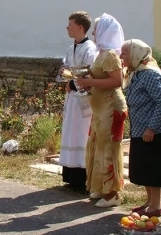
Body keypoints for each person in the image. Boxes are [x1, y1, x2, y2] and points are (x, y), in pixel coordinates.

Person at [76, 13, 126, 207]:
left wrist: (89, 81)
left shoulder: (112, 54)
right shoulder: (101, 53)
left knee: (109, 148)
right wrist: (87, 82)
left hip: (111, 108)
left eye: (97, 29)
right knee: (98, 146)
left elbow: (116, 81)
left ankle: (113, 193)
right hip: (100, 108)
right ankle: (101, 186)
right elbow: (99, 78)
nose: (94, 32)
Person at [120, 39, 161, 217]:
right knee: (144, 168)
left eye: (124, 53)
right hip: (140, 129)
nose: (121, 56)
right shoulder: (136, 72)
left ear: (135, 54)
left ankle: (156, 206)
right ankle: (150, 203)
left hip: (153, 131)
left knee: (153, 168)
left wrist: (151, 128)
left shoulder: (149, 74)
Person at [56, 11, 97, 188]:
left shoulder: (90, 49)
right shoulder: (70, 48)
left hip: (83, 100)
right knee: (70, 133)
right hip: (71, 99)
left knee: (81, 135)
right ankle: (70, 175)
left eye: (70, 24)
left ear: (80, 27)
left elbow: (91, 74)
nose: (67, 27)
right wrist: (63, 72)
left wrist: (73, 83)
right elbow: (68, 69)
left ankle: (82, 177)